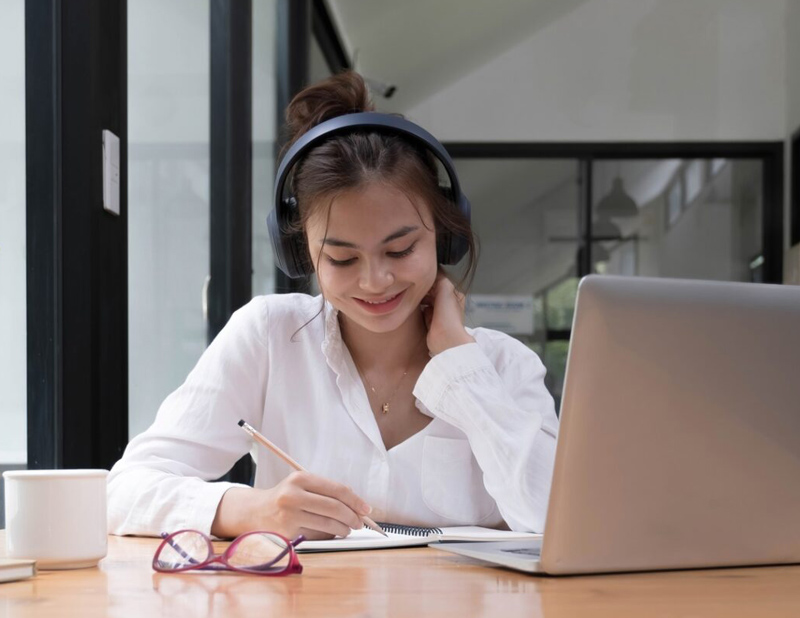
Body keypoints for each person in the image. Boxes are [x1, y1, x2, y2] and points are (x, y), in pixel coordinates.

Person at [108, 71, 558, 541]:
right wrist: (251, 509)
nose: (375, 281)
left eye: (401, 250)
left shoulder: (504, 366)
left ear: (445, 236)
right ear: (302, 253)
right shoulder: (268, 336)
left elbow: (557, 522)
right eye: (341, 258)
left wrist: (459, 363)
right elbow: (123, 492)